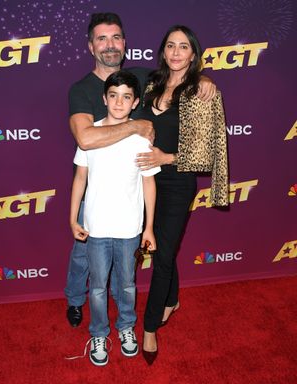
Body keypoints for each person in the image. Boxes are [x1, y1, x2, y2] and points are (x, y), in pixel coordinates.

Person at [65, 12, 217, 327]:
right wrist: (135, 125)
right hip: (95, 187)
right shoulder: (80, 89)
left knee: (128, 258)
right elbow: (85, 137)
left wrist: (203, 79)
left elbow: (177, 74)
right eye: (102, 39)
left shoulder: (142, 76)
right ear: (90, 46)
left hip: (132, 185)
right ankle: (75, 300)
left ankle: (132, 317)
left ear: (124, 43)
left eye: (116, 37)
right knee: (84, 256)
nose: (110, 45)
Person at [135, 25, 229, 364]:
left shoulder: (201, 92)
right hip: (143, 180)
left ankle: (148, 328)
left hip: (177, 182)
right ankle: (172, 299)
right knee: (162, 244)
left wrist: (166, 157)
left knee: (161, 255)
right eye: (170, 46)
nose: (176, 52)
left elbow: (204, 154)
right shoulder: (150, 84)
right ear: (163, 52)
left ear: (193, 54)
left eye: (183, 46)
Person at [71, 70, 160, 366]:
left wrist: (148, 227)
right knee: (97, 286)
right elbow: (80, 178)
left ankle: (125, 328)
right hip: (96, 228)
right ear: (104, 99)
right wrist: (73, 219)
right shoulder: (92, 136)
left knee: (126, 284)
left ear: (135, 103)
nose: (119, 102)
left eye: (126, 97)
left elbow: (149, 182)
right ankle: (98, 332)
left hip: (129, 230)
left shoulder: (141, 138)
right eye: (113, 96)